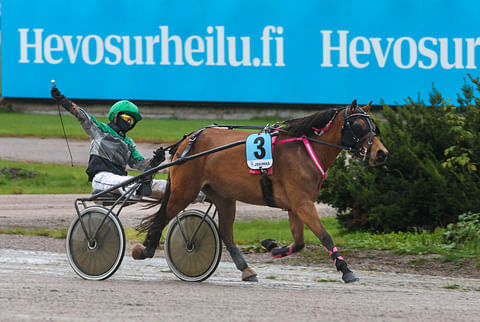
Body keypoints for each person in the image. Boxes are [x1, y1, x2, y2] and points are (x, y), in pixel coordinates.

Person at [50, 85, 205, 202]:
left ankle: (203, 195)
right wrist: (62, 100)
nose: (129, 123)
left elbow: (140, 164)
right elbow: (81, 115)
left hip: (122, 182)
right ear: (116, 116)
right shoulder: (99, 131)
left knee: (166, 186)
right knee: (136, 184)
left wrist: (155, 161)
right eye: (126, 118)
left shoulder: (128, 143)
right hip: (102, 178)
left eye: (131, 121)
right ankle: (142, 186)